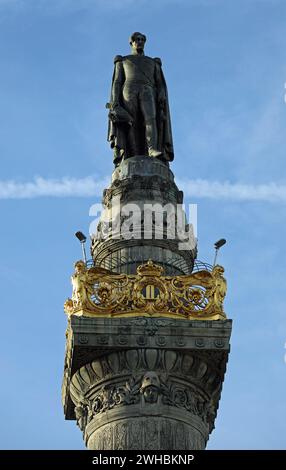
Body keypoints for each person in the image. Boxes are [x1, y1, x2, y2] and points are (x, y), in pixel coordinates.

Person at [107, 32, 174, 166]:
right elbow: (117, 82)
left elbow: (160, 83)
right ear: (131, 42)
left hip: (147, 90)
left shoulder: (153, 62)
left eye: (142, 39)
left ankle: (152, 149)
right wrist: (115, 101)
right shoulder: (123, 60)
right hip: (129, 89)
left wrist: (161, 93)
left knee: (150, 119)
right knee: (130, 121)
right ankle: (132, 152)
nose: (140, 42)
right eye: (137, 39)